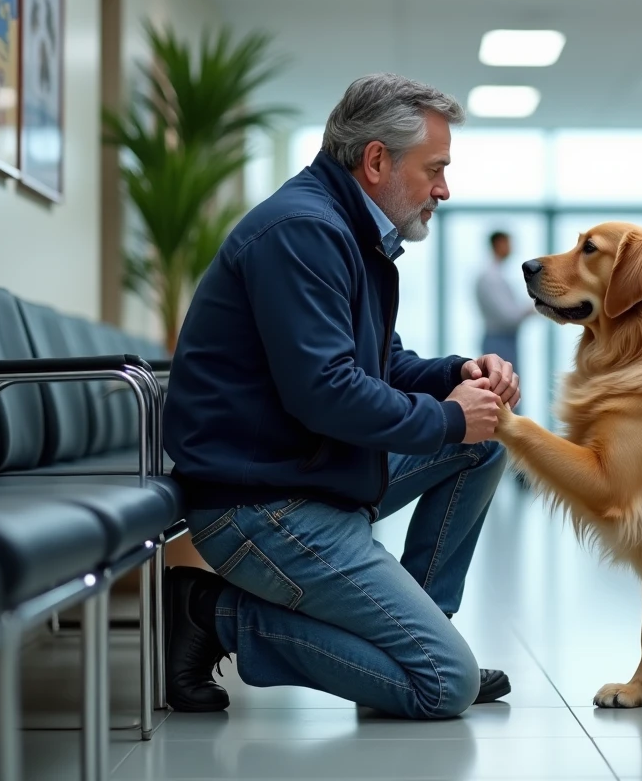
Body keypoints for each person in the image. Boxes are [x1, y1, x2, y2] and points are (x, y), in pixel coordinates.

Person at [162, 73, 516, 721]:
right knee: (442, 685)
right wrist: (445, 418)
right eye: (434, 169)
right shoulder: (303, 233)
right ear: (376, 160)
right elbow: (326, 393)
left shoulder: (348, 234)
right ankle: (212, 613)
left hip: (313, 471)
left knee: (483, 442)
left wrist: (458, 374)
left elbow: (382, 364)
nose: (444, 188)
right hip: (261, 504)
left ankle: (416, 631)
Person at [475, 231, 533, 370]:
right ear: (498, 244)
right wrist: (532, 308)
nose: (511, 248)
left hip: (503, 339)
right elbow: (508, 316)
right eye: (508, 243)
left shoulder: (494, 275)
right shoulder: (491, 278)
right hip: (499, 340)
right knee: (502, 385)